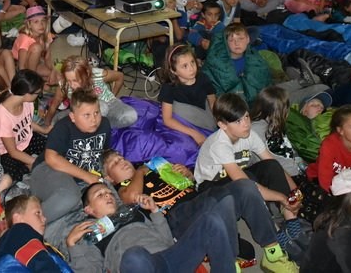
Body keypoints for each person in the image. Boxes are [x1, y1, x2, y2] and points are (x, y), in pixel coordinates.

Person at [101, 150, 299, 272]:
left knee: (245, 187)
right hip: (176, 217)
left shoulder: (154, 169)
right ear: (109, 178)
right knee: (221, 203)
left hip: (197, 198)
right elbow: (131, 196)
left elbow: (189, 186)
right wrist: (140, 171)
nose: (122, 161)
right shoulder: (121, 190)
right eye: (115, 163)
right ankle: (229, 262)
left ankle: (273, 253)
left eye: (121, 158)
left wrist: (187, 176)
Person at [195, 94, 302, 235]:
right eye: (238, 121)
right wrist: (282, 198)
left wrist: (295, 192)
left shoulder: (249, 135)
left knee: (271, 165)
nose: (246, 124)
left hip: (237, 180)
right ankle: (272, 232)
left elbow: (272, 162)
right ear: (222, 125)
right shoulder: (219, 144)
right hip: (210, 189)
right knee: (248, 181)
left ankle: (291, 221)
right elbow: (245, 182)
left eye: (246, 116)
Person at [75, 181, 240, 273]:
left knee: (211, 219)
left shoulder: (133, 213)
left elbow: (167, 241)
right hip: (141, 266)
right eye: (100, 195)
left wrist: (154, 211)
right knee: (135, 255)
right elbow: (91, 270)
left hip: (170, 257)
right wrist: (72, 245)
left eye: (109, 192)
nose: (107, 195)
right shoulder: (90, 233)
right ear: (89, 209)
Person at [30, 89, 111, 222]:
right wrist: (86, 176)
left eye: (96, 113)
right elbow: (51, 158)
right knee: (70, 197)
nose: (94, 119)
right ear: (73, 117)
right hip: (48, 168)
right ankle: (29, 222)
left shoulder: (104, 124)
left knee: (108, 200)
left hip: (80, 176)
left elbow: (105, 152)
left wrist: (107, 171)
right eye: (87, 115)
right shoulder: (63, 127)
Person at [0, 69, 51, 182]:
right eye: (37, 93)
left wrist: (44, 130)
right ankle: (28, 167)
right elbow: (13, 152)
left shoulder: (27, 102)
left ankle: (29, 165)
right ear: (27, 94)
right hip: (9, 151)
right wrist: (36, 161)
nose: (38, 96)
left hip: (27, 139)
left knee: (53, 148)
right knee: (12, 175)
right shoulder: (2, 115)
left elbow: (26, 122)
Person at [46, 55, 137, 128]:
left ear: (87, 73)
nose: (72, 85)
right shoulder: (64, 85)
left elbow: (119, 76)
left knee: (131, 116)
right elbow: (54, 105)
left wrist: (113, 95)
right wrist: (47, 126)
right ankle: (95, 126)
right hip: (84, 111)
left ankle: (101, 126)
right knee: (56, 122)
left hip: (110, 104)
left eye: (75, 80)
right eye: (68, 80)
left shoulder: (97, 74)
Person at [0, 195, 72, 272]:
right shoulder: (20, 231)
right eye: (37, 213)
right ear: (18, 219)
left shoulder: (18, 241)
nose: (44, 219)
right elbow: (43, 265)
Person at [202, 22, 272, 103]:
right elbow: (212, 87)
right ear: (226, 43)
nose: (237, 43)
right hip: (230, 107)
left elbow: (266, 86)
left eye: (241, 38)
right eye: (231, 40)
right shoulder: (215, 64)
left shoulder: (258, 61)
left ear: (248, 39)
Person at [251, 86, 312, 177]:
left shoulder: (272, 124)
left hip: (293, 169)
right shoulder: (260, 130)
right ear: (281, 111)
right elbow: (279, 162)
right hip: (286, 176)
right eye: (287, 107)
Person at [11, 6, 57, 84]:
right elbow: (21, 66)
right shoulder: (25, 39)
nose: (41, 24)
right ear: (29, 24)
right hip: (21, 68)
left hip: (37, 64)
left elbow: (47, 58)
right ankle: (32, 81)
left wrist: (53, 71)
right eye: (36, 22)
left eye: (43, 21)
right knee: (37, 47)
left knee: (58, 77)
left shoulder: (47, 36)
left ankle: (40, 79)